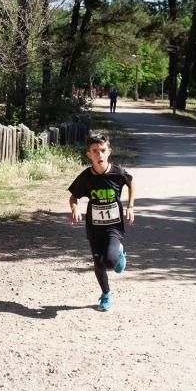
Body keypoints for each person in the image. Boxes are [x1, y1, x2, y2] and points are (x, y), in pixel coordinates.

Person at [67, 131, 135, 312]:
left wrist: (131, 206)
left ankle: (119, 253)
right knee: (98, 263)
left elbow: (131, 183)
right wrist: (75, 208)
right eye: (95, 151)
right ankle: (106, 294)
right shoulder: (86, 177)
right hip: (94, 228)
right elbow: (73, 197)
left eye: (103, 150)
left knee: (110, 262)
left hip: (113, 226)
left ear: (109, 151)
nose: (100, 155)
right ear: (89, 154)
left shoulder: (117, 173)